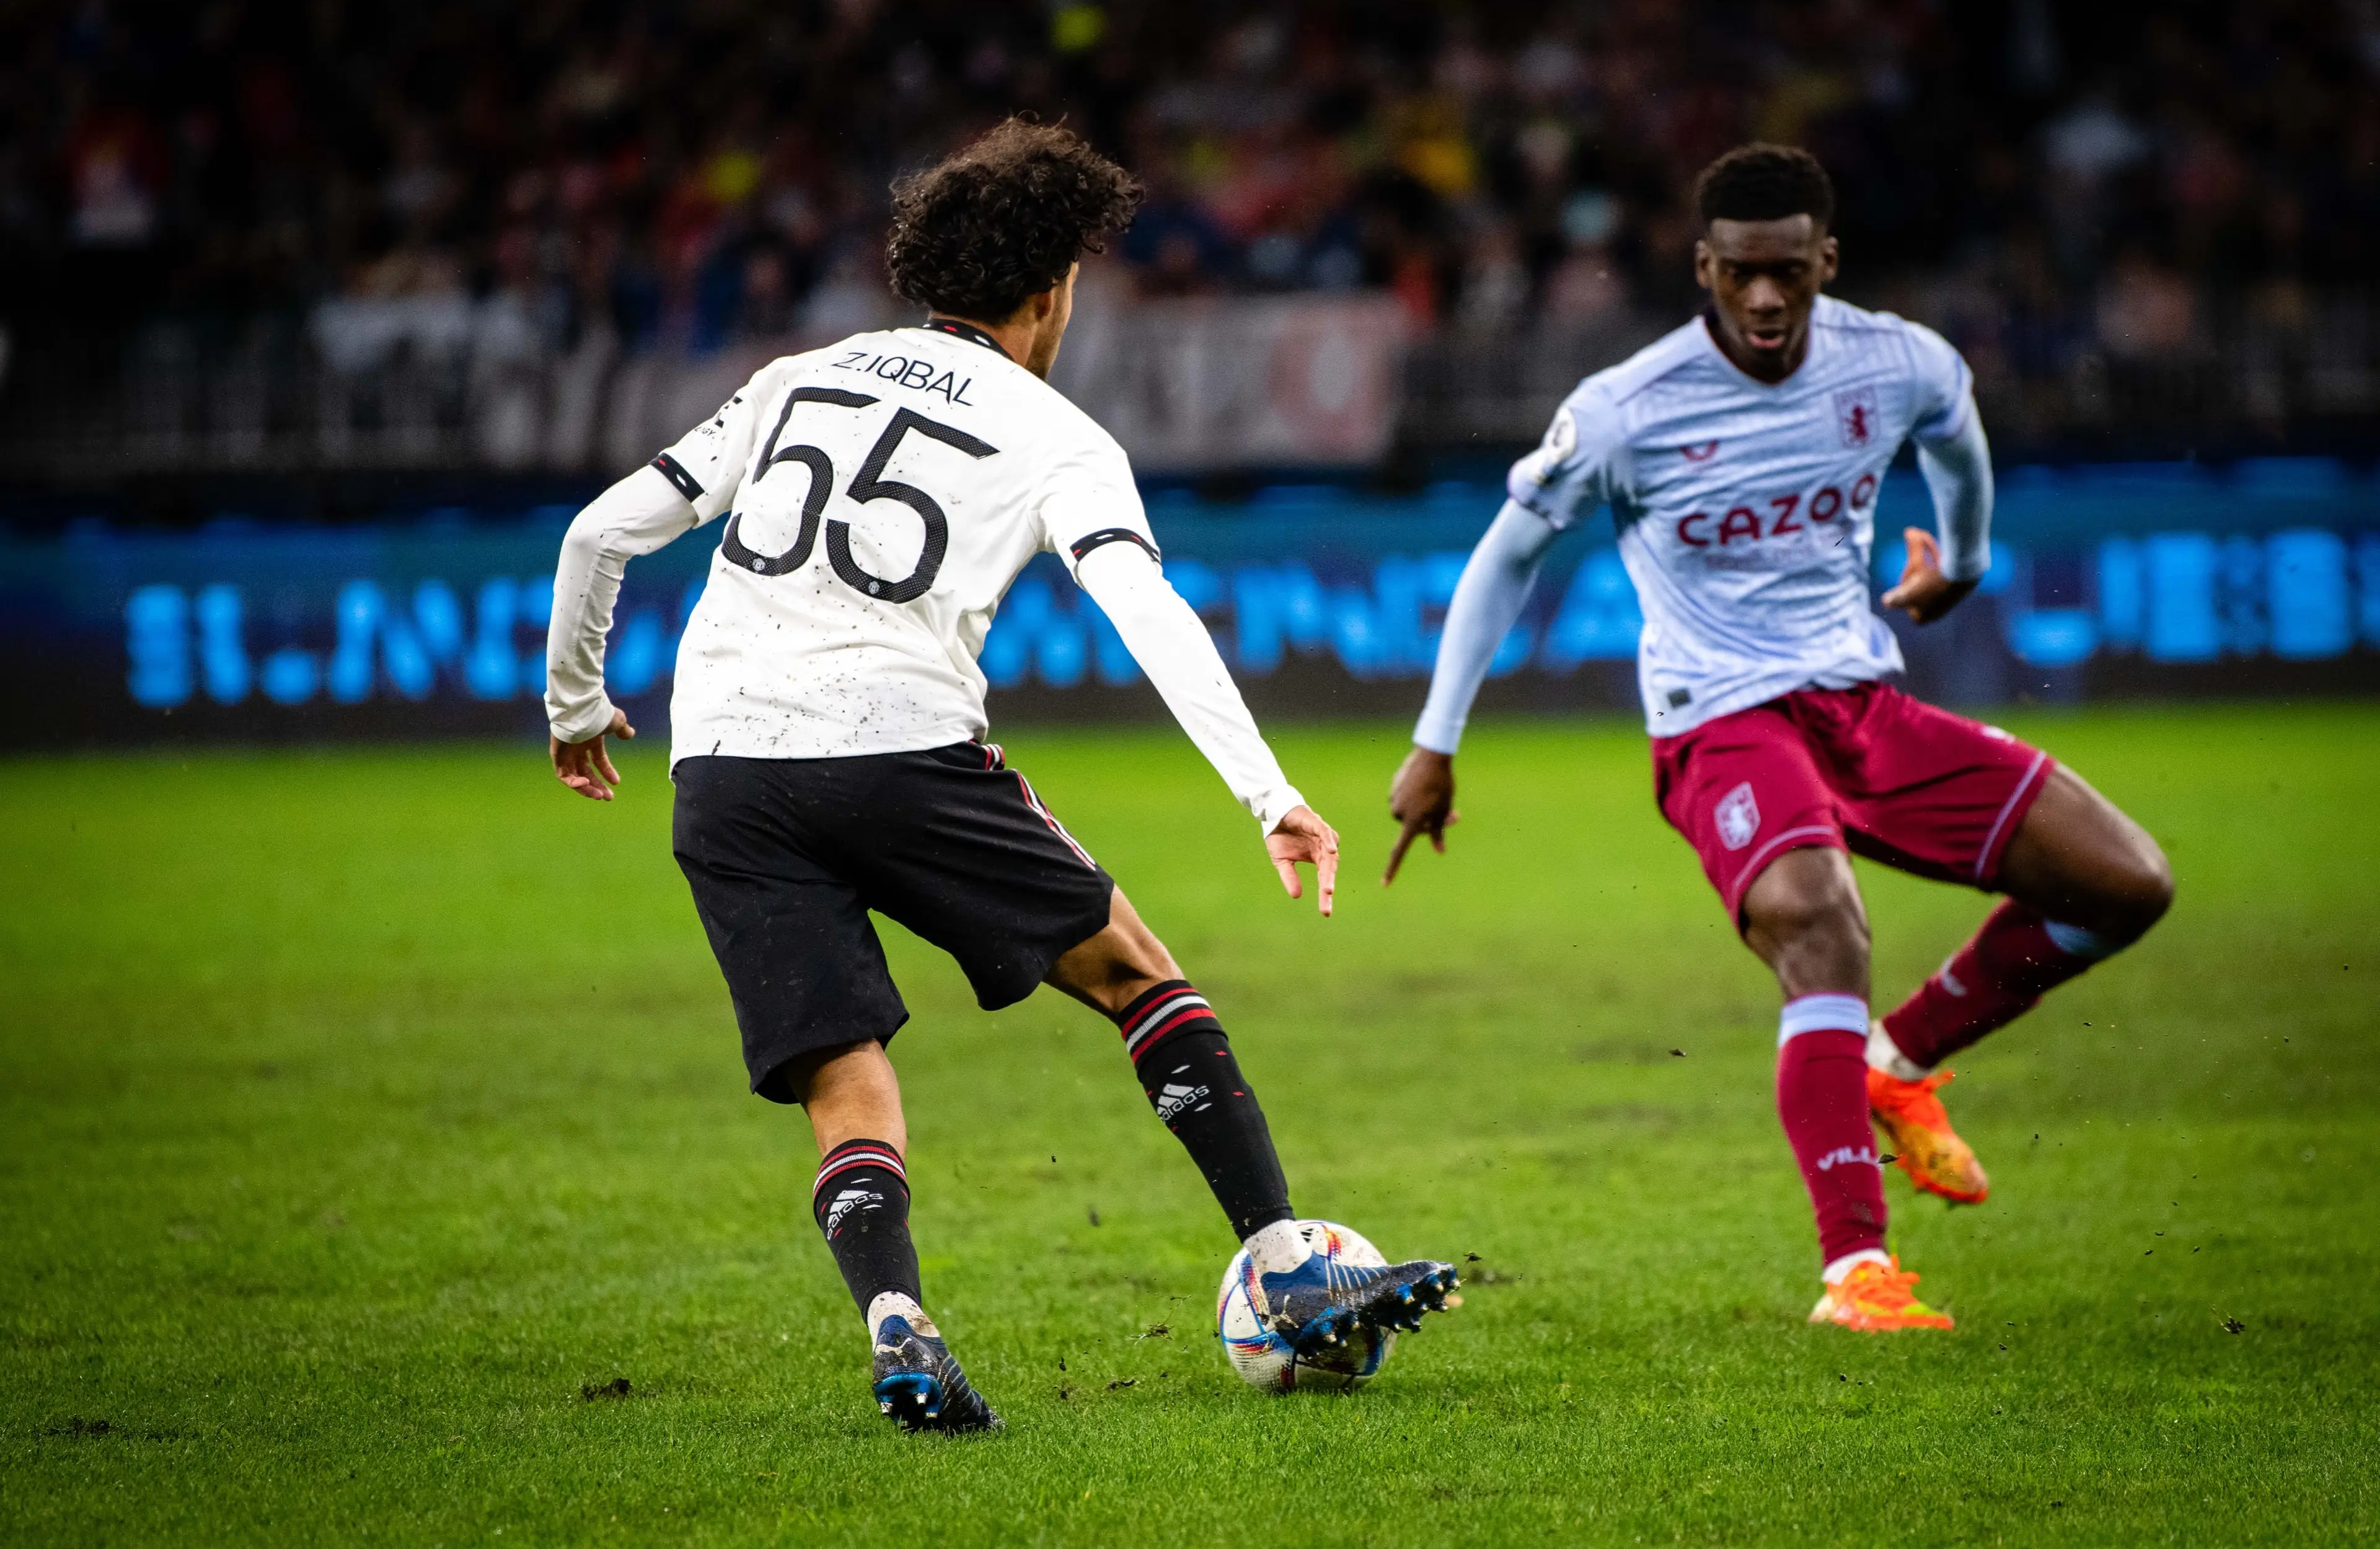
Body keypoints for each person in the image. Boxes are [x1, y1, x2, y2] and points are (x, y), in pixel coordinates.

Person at [542, 120, 1454, 1432]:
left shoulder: (801, 375)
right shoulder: (1056, 433)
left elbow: (599, 530)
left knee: (844, 1070)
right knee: (1139, 973)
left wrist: (577, 704)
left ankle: (895, 1316)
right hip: (900, 745)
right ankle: (1287, 1262)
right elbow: (1147, 609)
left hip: (725, 762)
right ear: (1048, 293)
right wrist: (1269, 791)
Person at [1385, 143, 2172, 1333]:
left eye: (1790, 274)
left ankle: (1894, 1066)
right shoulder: (1625, 411)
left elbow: (1957, 434)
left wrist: (1960, 562)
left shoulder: (1896, 361)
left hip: (1862, 702)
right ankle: (1857, 1274)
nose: (1765, 299)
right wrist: (1436, 743)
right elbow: (1506, 555)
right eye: (1741, 274)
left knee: (2127, 883)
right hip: (1720, 722)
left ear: (1826, 263)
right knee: (1820, 918)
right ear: (1705, 268)